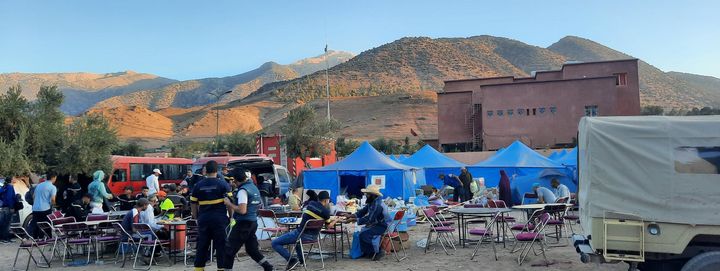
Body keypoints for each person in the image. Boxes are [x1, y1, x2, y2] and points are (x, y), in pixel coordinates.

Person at [222, 167, 274, 271]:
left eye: (232, 180)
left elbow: (242, 210)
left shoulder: (243, 191)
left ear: (236, 180)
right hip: (252, 222)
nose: (232, 183)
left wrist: (229, 204)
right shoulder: (253, 187)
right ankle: (268, 267)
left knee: (229, 250)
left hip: (243, 223)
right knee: (252, 250)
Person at [272, 190, 335, 270]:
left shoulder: (311, 204)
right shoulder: (326, 213)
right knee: (297, 242)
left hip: (300, 234)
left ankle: (292, 260)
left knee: (275, 243)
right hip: (313, 237)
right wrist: (336, 220)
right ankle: (301, 261)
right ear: (326, 200)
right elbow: (328, 227)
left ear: (318, 199)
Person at [190, 161, 231, 271]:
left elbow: (193, 203)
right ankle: (221, 268)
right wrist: (231, 217)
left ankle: (198, 268)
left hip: (203, 219)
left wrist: (196, 217)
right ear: (216, 170)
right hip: (220, 219)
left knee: (202, 245)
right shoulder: (223, 184)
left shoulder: (198, 185)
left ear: (205, 171)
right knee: (221, 246)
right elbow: (229, 203)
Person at [345, 184, 391, 261]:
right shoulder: (372, 201)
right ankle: (368, 252)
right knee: (361, 233)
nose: (366, 195)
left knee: (364, 235)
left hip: (381, 226)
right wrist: (351, 215)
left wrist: (354, 220)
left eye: (367, 194)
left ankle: (378, 252)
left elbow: (369, 219)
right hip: (375, 224)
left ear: (372, 195)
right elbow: (363, 211)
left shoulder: (377, 205)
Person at [0, 176, 16, 243]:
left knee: (3, 223)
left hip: (3, 207)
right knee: (7, 224)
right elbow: (10, 197)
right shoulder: (10, 187)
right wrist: (11, 207)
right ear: (11, 180)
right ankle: (6, 239)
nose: (15, 179)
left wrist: (3, 201)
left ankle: (2, 238)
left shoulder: (4, 187)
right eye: (14, 178)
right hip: (8, 207)